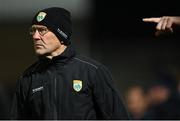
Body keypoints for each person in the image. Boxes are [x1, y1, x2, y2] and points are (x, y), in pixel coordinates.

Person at [10, 7, 129, 120]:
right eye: (33, 30)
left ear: (61, 34)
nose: (35, 36)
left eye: (42, 30)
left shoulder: (93, 71)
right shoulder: (27, 78)